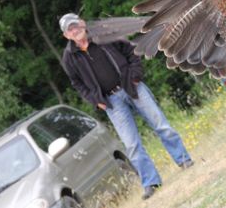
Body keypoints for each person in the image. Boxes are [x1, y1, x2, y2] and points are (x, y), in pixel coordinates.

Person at [59, 13, 193, 200]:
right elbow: (77, 83)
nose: (74, 30)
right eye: (69, 29)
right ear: (66, 35)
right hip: (111, 102)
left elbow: (132, 51)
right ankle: (151, 183)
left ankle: (184, 160)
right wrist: (95, 100)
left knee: (161, 125)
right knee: (131, 144)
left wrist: (135, 76)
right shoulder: (69, 58)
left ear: (82, 23)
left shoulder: (102, 34)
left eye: (75, 25)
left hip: (132, 87)